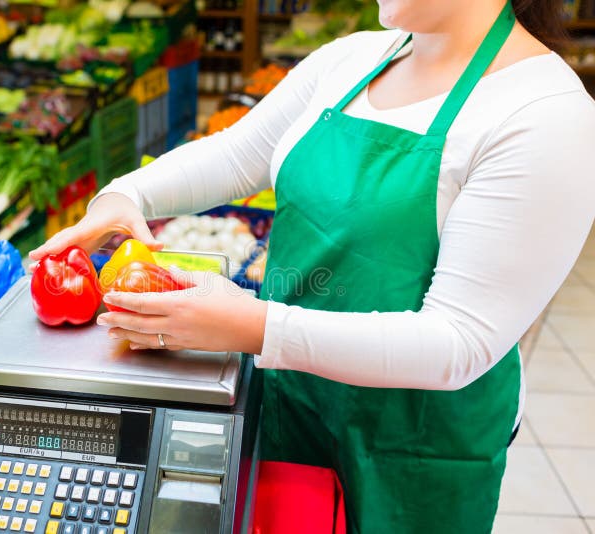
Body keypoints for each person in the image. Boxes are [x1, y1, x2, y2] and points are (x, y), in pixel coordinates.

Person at [30, 0, 595, 531]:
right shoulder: (354, 59)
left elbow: (458, 342)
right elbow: (235, 153)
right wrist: (125, 196)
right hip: (292, 406)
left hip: (414, 448)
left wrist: (251, 325)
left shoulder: (546, 116)